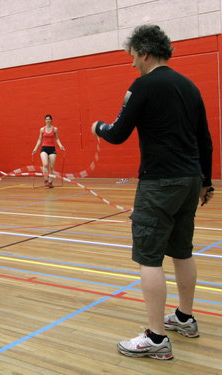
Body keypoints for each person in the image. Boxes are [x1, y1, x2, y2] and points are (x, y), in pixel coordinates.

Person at [91, 25, 214, 360]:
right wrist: (206, 181)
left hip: (159, 182)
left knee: (149, 257)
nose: (131, 64)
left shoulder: (142, 86)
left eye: (132, 56)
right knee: (182, 250)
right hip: (190, 180)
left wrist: (97, 127)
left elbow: (117, 133)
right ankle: (185, 319)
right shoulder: (189, 86)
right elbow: (205, 138)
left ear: (144, 52)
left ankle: (156, 337)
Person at [31, 114, 65, 188]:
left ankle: (50, 182)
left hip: (52, 149)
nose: (48, 120)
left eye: (49, 119)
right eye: (46, 119)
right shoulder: (42, 129)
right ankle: (46, 180)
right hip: (44, 149)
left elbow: (57, 138)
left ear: (51, 120)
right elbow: (39, 139)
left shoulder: (55, 129)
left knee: (52, 166)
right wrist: (35, 148)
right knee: (45, 164)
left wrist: (60, 145)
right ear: (45, 120)